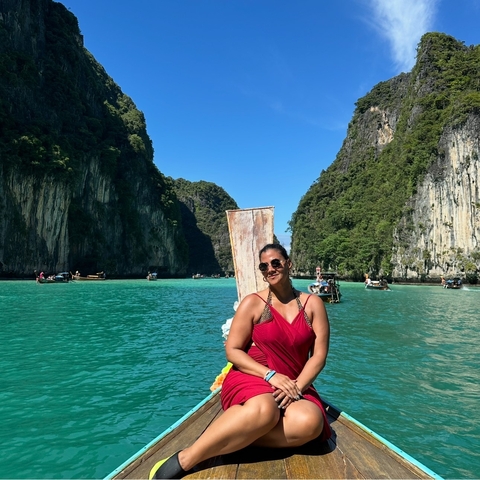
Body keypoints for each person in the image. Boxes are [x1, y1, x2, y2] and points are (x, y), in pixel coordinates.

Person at [150, 243, 331, 479]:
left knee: (310, 422)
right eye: (264, 266)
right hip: (253, 374)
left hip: (293, 381)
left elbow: (318, 356)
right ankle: (186, 458)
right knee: (266, 411)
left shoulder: (312, 304)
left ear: (288, 264)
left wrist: (297, 386)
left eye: (276, 262)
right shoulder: (253, 303)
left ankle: (236, 439)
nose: (270, 269)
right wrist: (269, 375)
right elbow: (233, 351)